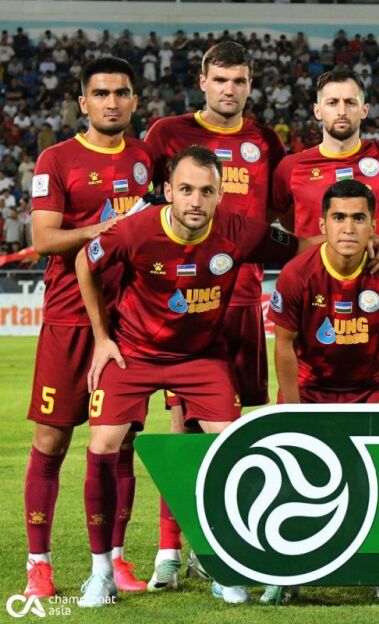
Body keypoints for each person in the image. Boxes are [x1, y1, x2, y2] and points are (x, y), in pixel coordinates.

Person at [73, 146, 299, 608]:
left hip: (201, 357)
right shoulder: (135, 229)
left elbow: (302, 246)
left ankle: (223, 565)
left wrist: (364, 241)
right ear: (168, 191)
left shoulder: (239, 230)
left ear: (220, 195)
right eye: (187, 190)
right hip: (133, 352)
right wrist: (101, 337)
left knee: (236, 449)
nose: (196, 201)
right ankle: (101, 574)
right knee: (103, 446)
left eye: (207, 191)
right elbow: (84, 262)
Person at [142, 41, 287, 592]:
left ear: (251, 85)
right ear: (202, 80)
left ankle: (221, 544)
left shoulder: (265, 141)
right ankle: (169, 551)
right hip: (184, 303)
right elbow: (145, 210)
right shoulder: (168, 134)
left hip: (243, 301)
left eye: (240, 80)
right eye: (220, 79)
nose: (230, 89)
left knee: (239, 432)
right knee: (183, 427)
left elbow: (277, 216)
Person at [23, 56, 153, 598]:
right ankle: (39, 565)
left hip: (128, 322)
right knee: (52, 441)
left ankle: (115, 560)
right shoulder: (56, 159)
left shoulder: (144, 158)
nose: (111, 102)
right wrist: (108, 228)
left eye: (121, 93)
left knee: (119, 446)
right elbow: (44, 239)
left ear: (134, 101)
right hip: (69, 317)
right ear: (83, 102)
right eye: (101, 94)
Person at [264, 179, 379, 605]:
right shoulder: (298, 274)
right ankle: (290, 572)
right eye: (338, 218)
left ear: (373, 225)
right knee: (296, 477)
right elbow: (283, 344)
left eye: (357, 218)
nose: (348, 228)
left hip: (372, 386)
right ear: (322, 225)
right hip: (312, 387)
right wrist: (293, 410)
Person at [272, 69, 379, 250]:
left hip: (378, 268)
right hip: (314, 268)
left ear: (364, 110)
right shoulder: (290, 167)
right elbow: (287, 219)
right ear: (317, 111)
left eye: (350, 102)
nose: (342, 111)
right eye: (332, 103)